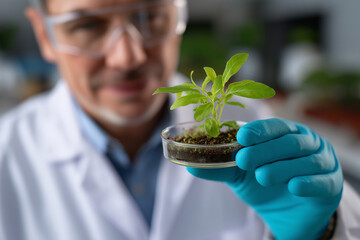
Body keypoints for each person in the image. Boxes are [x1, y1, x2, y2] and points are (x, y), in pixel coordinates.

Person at [0, 0, 359, 239]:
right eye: (88, 25)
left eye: (150, 16)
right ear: (45, 34)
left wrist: (324, 229)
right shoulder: (8, 152)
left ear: (179, 14)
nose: (127, 57)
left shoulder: (248, 126)